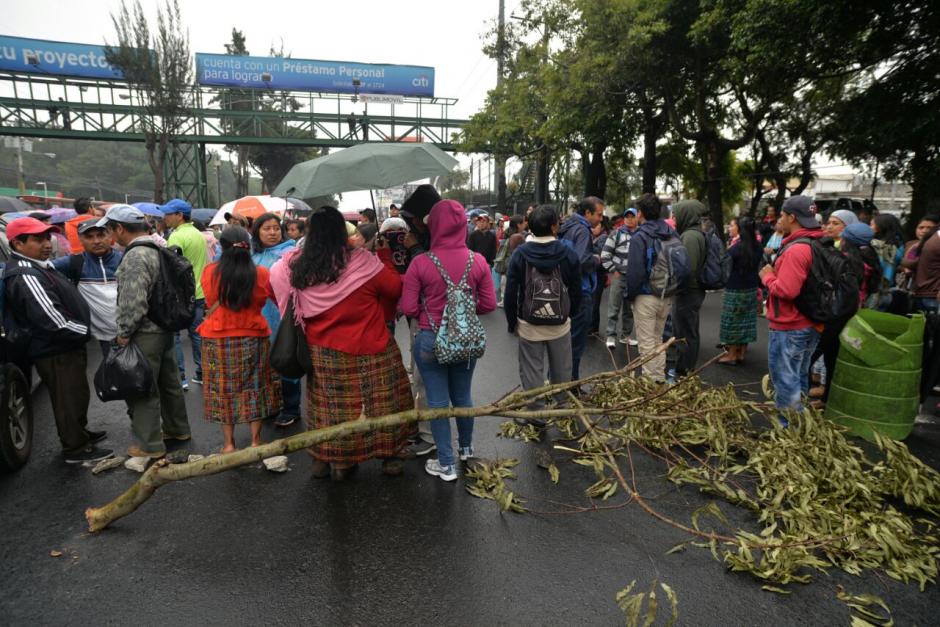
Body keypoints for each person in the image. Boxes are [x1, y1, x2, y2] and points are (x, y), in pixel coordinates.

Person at [270, 206, 414, 480]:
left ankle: (333, 460)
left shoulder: (294, 265)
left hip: (323, 353)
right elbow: (395, 289)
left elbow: (278, 292)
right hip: (372, 346)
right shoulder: (362, 261)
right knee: (384, 403)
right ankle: (391, 456)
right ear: (341, 231)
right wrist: (383, 255)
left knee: (331, 410)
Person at [400, 199, 497, 482]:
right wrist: (463, 312)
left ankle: (446, 464)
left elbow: (408, 308)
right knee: (463, 395)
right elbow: (489, 305)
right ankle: (466, 449)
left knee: (438, 401)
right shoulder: (477, 261)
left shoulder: (421, 262)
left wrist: (431, 313)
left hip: (430, 339)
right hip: (465, 342)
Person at [2, 217, 112, 464]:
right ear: (18, 244)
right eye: (37, 239)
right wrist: (84, 331)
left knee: (77, 394)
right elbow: (52, 320)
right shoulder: (26, 274)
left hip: (66, 345)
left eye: (47, 238)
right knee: (67, 398)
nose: (46, 244)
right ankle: (75, 448)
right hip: (56, 349)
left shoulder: (39, 265)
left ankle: (80, 433)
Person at [99, 205, 191, 458]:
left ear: (119, 228)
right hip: (164, 327)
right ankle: (178, 429)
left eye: (109, 229)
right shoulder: (158, 247)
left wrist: (124, 333)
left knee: (142, 387)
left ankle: (149, 445)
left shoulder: (135, 256)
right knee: (169, 381)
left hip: (145, 332)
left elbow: (133, 301)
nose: (109, 235)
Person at [198, 226, 281, 453]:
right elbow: (263, 302)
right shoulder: (262, 273)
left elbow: (209, 302)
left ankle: (228, 444)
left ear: (222, 247)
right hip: (253, 336)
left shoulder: (210, 272)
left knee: (222, 389)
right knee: (256, 385)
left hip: (217, 338)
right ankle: (255, 440)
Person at [503, 205, 581, 424]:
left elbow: (511, 292)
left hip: (529, 323)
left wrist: (512, 322)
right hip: (560, 323)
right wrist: (570, 313)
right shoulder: (567, 253)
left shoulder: (520, 253)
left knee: (532, 369)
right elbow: (576, 288)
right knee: (562, 366)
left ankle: (536, 413)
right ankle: (562, 406)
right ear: (555, 226)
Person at [758, 195, 825, 421]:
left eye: (782, 215)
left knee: (785, 380)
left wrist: (767, 277)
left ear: (792, 217)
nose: (780, 219)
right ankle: (802, 426)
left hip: (790, 326)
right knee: (799, 377)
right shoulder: (816, 242)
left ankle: (788, 431)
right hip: (808, 323)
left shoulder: (797, 250)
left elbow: (787, 290)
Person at [399, 184, 442, 457]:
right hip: (454, 325)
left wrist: (414, 251)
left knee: (425, 378)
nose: (412, 224)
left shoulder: (430, 246)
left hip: (427, 323)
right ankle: (457, 443)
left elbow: (411, 300)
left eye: (415, 219)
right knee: (451, 384)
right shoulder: (460, 245)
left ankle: (430, 436)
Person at [250, 213, 301, 427]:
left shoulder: (290, 253)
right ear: (257, 232)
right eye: (266, 229)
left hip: (283, 317)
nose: (272, 233)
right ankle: (271, 404)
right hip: (258, 319)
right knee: (264, 365)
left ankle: (291, 408)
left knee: (287, 361)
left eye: (275, 228)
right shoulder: (251, 256)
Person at [53, 220, 122, 358]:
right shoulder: (74, 263)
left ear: (110, 236)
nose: (96, 241)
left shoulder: (125, 260)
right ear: (81, 240)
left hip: (135, 332)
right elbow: (40, 268)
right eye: (89, 237)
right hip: (105, 337)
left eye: (101, 235)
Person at [163, 199, 208, 389]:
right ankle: (203, 373)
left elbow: (172, 268)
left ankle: (180, 377)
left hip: (180, 295)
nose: (164, 217)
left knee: (174, 336)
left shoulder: (176, 237)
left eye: (168, 214)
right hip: (199, 292)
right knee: (197, 335)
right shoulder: (198, 234)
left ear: (179, 215)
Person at [558, 196, 604, 380]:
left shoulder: (566, 227)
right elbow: (581, 260)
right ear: (587, 213)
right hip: (581, 290)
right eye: (599, 215)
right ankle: (571, 385)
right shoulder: (583, 231)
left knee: (564, 343)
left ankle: (556, 382)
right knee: (575, 344)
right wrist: (596, 259)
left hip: (565, 291)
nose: (601, 219)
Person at [672, 200, 709, 377]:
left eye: (677, 214)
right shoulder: (694, 234)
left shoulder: (690, 236)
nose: (674, 218)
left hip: (688, 291)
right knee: (689, 330)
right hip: (693, 290)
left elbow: (688, 268)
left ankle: (684, 371)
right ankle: (686, 369)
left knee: (685, 332)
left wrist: (674, 286)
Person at [718, 217, 761, 365]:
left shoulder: (736, 249)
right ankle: (741, 353)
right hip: (751, 288)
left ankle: (731, 355)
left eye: (732, 226)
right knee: (746, 322)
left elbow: (726, 267)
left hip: (735, 289)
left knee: (732, 322)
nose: (730, 228)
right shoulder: (758, 247)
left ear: (740, 230)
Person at [601, 207, 638, 349]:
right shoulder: (616, 234)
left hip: (633, 278)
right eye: (627, 216)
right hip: (619, 276)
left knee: (629, 309)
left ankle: (626, 336)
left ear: (636, 218)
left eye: (632, 216)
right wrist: (613, 270)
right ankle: (610, 336)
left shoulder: (640, 235)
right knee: (614, 307)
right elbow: (605, 254)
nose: (629, 219)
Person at [869, 214, 904, 310]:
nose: (869, 228)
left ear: (880, 227)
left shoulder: (874, 246)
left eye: (871, 225)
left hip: (874, 291)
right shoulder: (899, 246)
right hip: (888, 291)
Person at [493, 215, 526, 306]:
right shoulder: (519, 236)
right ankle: (510, 300)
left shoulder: (507, 233)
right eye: (523, 222)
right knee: (512, 283)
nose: (525, 224)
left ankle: (504, 300)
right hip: (513, 262)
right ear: (518, 225)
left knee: (505, 282)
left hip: (506, 261)